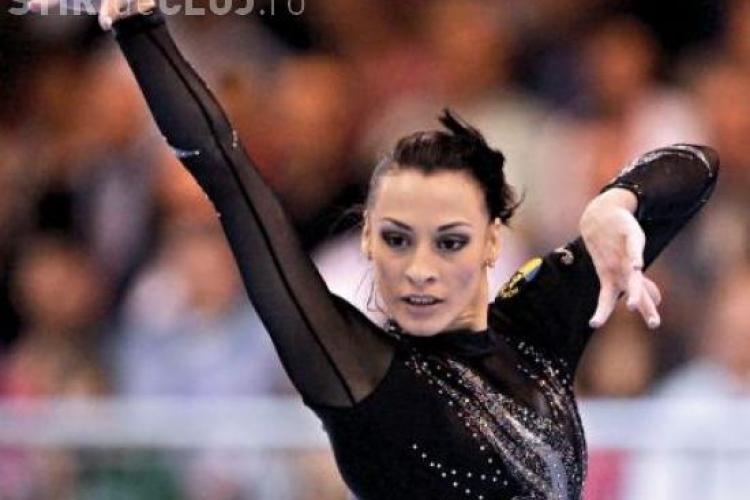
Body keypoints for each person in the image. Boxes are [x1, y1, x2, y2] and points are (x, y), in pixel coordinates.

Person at [27, 2, 719, 498]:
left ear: (491, 242)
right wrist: (140, 25)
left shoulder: (536, 324)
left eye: (450, 242)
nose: (419, 268)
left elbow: (698, 166)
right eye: (396, 239)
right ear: (366, 241)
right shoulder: (359, 376)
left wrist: (615, 202)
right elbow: (231, 180)